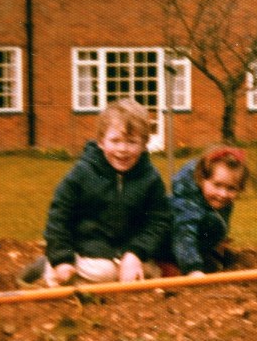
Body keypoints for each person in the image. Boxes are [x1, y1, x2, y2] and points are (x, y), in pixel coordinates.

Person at [35, 98, 172, 287]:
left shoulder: (150, 178)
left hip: (128, 254)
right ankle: (52, 268)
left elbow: (159, 221)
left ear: (144, 144)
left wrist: (135, 253)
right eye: (115, 141)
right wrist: (61, 259)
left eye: (131, 142)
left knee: (148, 274)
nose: (122, 149)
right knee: (100, 273)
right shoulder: (82, 173)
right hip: (87, 253)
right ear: (101, 142)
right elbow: (59, 217)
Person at [167, 145, 250, 275]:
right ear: (201, 179)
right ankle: (167, 266)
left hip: (196, 246)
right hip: (168, 247)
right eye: (217, 185)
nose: (223, 194)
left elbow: (221, 220)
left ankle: (207, 255)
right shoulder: (186, 202)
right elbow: (184, 235)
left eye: (231, 188)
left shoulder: (220, 200)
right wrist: (193, 269)